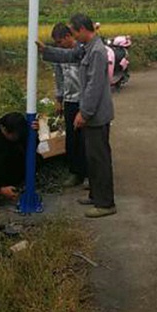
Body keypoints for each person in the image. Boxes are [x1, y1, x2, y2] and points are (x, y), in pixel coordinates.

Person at [38, 13, 116, 218]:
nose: (72, 36)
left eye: (73, 32)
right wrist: (47, 51)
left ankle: (106, 203)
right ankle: (95, 195)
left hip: (96, 115)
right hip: (92, 114)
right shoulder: (87, 49)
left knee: (99, 158)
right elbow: (69, 56)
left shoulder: (97, 52)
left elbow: (94, 87)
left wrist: (84, 113)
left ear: (82, 29)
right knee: (91, 156)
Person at [50, 22, 87, 188]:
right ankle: (75, 173)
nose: (58, 46)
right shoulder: (59, 56)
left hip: (85, 100)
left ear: (68, 37)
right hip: (70, 100)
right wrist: (58, 100)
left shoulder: (81, 51)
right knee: (72, 139)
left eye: (59, 42)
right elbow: (59, 78)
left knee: (86, 139)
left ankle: (89, 174)